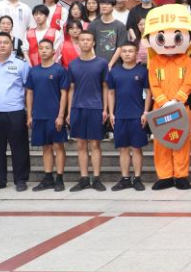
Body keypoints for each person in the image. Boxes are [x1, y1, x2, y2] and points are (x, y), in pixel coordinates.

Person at [0, 33, 32, 191]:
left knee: (20, 148)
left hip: (15, 112)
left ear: (12, 46)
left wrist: (29, 113)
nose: (2, 45)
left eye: (6, 42)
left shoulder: (21, 64)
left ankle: (21, 180)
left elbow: (28, 89)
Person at [24, 41, 70, 192]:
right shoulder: (33, 71)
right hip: (39, 115)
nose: (44, 51)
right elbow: (29, 93)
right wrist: (29, 115)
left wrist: (61, 115)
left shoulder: (59, 70)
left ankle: (59, 178)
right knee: (46, 147)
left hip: (54, 115)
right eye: (41, 48)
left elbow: (64, 94)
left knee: (58, 146)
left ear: (53, 51)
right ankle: (48, 177)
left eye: (47, 48)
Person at [105, 42, 151, 191]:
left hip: (137, 116)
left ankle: (137, 179)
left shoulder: (143, 71)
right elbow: (111, 93)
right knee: (123, 149)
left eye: (130, 51)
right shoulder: (114, 72)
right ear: (120, 54)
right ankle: (125, 179)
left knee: (137, 148)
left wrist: (145, 112)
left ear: (136, 53)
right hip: (120, 115)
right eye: (124, 51)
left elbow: (148, 92)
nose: (127, 54)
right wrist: (111, 113)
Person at [67, 31, 109, 192]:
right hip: (78, 108)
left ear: (93, 43)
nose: (85, 42)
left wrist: (105, 109)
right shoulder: (73, 64)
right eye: (82, 40)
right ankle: (84, 178)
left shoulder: (102, 63)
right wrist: (69, 111)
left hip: (96, 108)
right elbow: (71, 88)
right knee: (81, 144)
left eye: (88, 40)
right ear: (78, 43)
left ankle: (96, 178)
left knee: (95, 144)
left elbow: (105, 87)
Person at [87, 0, 127, 68]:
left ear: (113, 6)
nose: (104, 6)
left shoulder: (120, 26)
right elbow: (90, 45)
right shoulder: (93, 24)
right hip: (96, 64)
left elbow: (120, 47)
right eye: (102, 4)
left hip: (115, 65)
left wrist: (110, 64)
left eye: (107, 4)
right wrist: (95, 61)